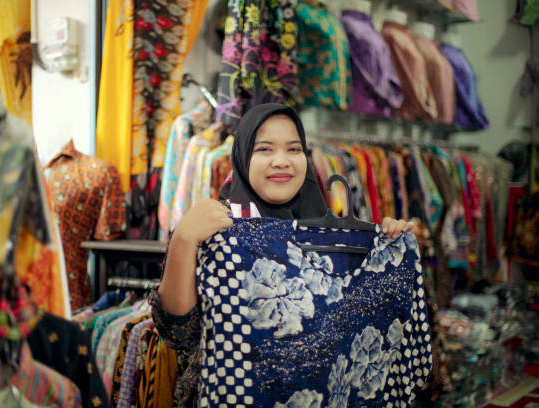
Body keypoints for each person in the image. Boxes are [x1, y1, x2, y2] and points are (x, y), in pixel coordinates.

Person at [150, 103, 416, 405]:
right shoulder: (213, 227)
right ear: (242, 156)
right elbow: (176, 334)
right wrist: (184, 239)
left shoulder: (333, 234)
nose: (281, 161)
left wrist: (387, 248)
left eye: (294, 149)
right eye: (264, 149)